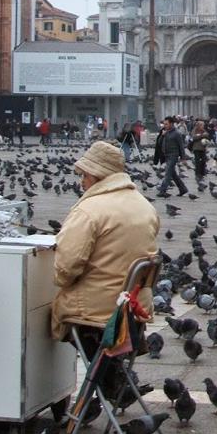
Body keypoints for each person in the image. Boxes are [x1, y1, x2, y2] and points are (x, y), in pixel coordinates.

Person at [52, 140, 160, 392]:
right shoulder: (145, 206)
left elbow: (66, 269)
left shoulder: (89, 210)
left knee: (39, 315)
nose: (81, 182)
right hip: (135, 308)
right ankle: (110, 381)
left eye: (85, 175)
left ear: (98, 175)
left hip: (100, 312)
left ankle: (99, 387)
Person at [156, 116, 188, 197]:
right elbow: (159, 143)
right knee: (173, 174)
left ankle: (162, 190)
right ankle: (183, 189)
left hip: (173, 155)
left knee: (167, 173)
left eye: (166, 124)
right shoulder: (165, 132)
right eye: (164, 124)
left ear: (171, 124)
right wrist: (162, 135)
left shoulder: (177, 133)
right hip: (166, 155)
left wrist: (183, 158)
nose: (164, 126)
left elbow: (181, 146)